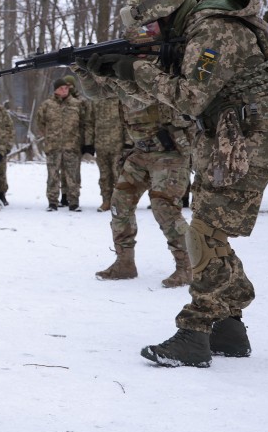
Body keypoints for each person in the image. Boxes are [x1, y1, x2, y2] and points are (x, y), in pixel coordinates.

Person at [80, 0, 268, 367]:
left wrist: (133, 69)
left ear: (168, 12)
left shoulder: (213, 30)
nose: (150, 32)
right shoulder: (195, 30)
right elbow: (171, 93)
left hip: (247, 142)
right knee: (208, 234)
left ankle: (194, 333)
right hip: (226, 140)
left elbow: (189, 98)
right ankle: (229, 324)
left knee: (204, 234)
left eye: (152, 24)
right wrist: (108, 71)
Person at [74, 67, 193, 287]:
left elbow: (141, 100)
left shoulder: (158, 72)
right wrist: (82, 70)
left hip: (169, 153)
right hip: (141, 152)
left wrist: (118, 74)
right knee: (119, 203)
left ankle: (188, 266)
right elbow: (95, 93)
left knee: (164, 207)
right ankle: (124, 262)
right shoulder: (122, 75)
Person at [34, 74, 89, 211]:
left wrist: (83, 141)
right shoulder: (47, 105)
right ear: (55, 90)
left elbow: (84, 124)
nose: (65, 90)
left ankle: (74, 201)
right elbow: (40, 123)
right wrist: (49, 136)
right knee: (52, 175)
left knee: (73, 176)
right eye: (61, 88)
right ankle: (52, 201)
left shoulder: (77, 105)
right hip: (53, 146)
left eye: (66, 88)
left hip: (72, 146)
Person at [88, 97, 125, 212]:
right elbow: (90, 122)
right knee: (104, 176)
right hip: (101, 144)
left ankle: (120, 203)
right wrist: (89, 143)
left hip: (118, 144)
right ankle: (106, 201)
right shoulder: (96, 100)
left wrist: (128, 142)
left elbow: (127, 121)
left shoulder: (119, 100)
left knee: (118, 174)